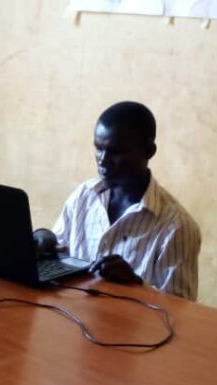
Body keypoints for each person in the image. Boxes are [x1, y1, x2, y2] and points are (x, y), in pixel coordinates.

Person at [34, 101, 201, 300]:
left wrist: (136, 284)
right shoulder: (84, 195)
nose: (103, 161)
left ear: (148, 151)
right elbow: (60, 250)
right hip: (73, 318)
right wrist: (44, 238)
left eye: (115, 152)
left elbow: (182, 313)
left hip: (132, 329)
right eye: (98, 148)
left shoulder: (176, 227)